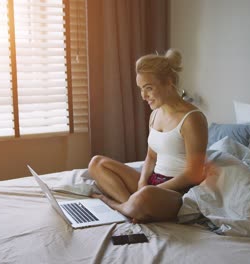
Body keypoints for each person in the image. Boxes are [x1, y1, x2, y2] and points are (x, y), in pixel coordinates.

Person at [88, 49, 208, 223]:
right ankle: (132, 207)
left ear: (168, 82)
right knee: (96, 163)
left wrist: (153, 189)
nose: (143, 96)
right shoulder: (155, 114)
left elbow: (194, 173)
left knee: (146, 195)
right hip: (153, 184)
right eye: (141, 89)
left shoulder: (192, 119)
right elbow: (151, 157)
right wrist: (142, 181)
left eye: (149, 88)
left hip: (178, 192)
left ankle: (115, 204)